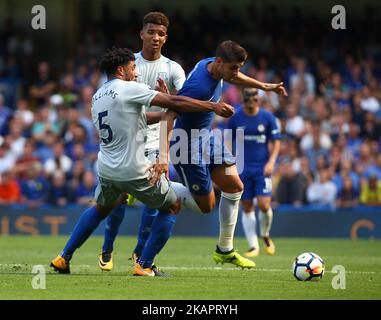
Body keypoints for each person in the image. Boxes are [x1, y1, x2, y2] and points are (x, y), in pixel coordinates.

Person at [50, 47, 234, 276]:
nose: (136, 72)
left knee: (100, 208)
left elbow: (141, 117)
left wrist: (168, 110)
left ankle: (63, 257)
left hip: (107, 169)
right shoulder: (130, 88)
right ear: (121, 70)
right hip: (134, 169)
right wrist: (212, 106)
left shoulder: (97, 96)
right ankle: (144, 264)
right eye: (133, 67)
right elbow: (175, 101)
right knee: (173, 206)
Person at [163, 40, 287, 267]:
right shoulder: (200, 85)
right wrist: (213, 107)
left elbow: (233, 77)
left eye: (238, 67)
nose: (236, 73)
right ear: (220, 62)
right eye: (233, 67)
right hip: (186, 145)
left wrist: (265, 86)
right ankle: (147, 186)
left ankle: (225, 250)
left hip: (207, 137)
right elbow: (173, 107)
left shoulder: (212, 64)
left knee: (235, 187)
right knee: (206, 206)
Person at [98, 12, 186, 274]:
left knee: (155, 198)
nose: (155, 38)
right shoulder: (127, 64)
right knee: (119, 198)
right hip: (126, 139)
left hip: (155, 140)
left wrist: (171, 98)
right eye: (151, 32)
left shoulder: (173, 69)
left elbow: (180, 102)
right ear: (142, 34)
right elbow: (110, 99)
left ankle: (140, 254)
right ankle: (107, 248)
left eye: (160, 34)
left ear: (165, 37)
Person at [227, 88, 281, 257]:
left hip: (262, 169)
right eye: (248, 98)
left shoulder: (267, 117)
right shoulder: (236, 118)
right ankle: (253, 246)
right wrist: (230, 163)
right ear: (243, 100)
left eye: (254, 98)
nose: (251, 101)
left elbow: (276, 142)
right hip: (243, 168)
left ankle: (265, 234)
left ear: (258, 99)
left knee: (265, 205)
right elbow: (228, 141)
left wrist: (272, 162)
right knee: (247, 206)